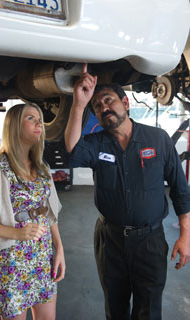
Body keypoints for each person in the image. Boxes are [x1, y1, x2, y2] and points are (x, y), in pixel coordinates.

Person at [64, 64, 190, 320]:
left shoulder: (158, 139)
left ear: (125, 102)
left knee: (149, 308)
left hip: (150, 240)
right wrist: (79, 104)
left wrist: (186, 235)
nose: (104, 108)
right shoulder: (97, 143)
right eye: (97, 106)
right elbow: (73, 151)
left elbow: (180, 188)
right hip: (110, 239)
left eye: (108, 101)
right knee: (115, 306)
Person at [0, 103, 65, 320]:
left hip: (43, 258)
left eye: (39, 119)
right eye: (31, 118)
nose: (39, 123)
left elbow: (50, 213)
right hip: (12, 263)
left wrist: (59, 248)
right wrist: (17, 233)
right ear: (14, 126)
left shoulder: (41, 167)